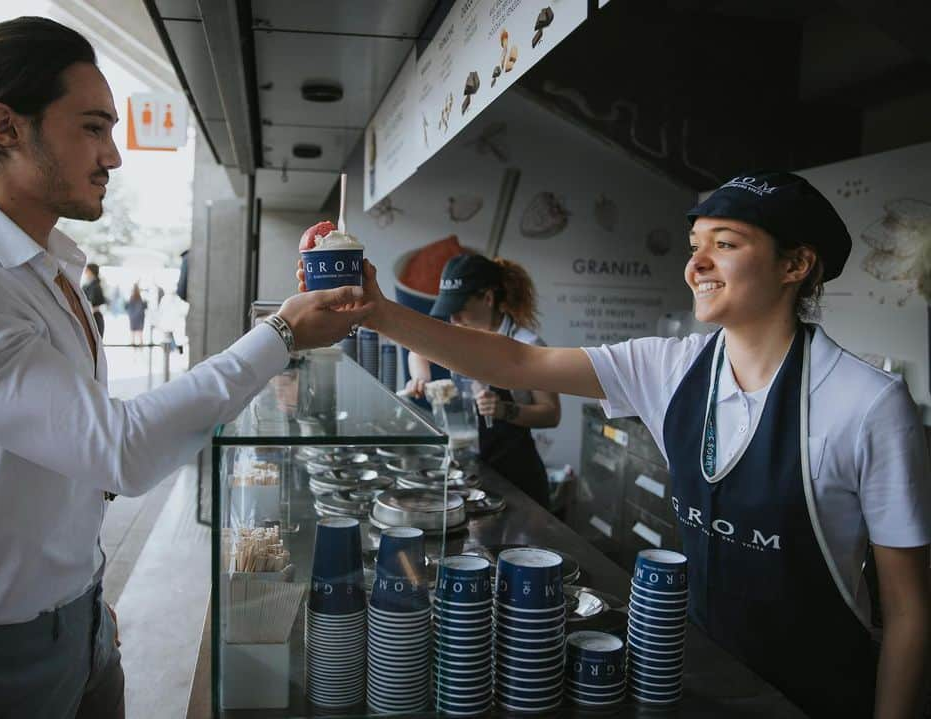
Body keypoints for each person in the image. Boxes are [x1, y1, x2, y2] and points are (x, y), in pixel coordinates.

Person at [0, 17, 369, 719]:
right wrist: (280, 333)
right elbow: (118, 449)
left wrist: (81, 605)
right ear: (7, 126)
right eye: (93, 128)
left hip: (78, 625)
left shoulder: (45, 270)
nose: (114, 155)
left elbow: (62, 465)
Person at [301, 171, 931, 718]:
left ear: (796, 265)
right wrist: (376, 313)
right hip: (697, 670)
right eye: (694, 246)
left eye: (726, 244)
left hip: (818, 695)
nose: (697, 264)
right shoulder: (669, 368)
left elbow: (906, 612)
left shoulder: (867, 404)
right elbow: (520, 361)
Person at [402, 254, 559, 508]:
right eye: (448, 312)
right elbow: (417, 351)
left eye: (459, 309)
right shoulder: (460, 335)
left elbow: (551, 414)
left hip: (517, 478)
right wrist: (420, 378)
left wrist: (504, 409)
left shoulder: (527, 345)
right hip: (471, 470)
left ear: (487, 298)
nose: (453, 320)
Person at [81, 262, 107, 336]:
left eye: (87, 270)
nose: (85, 272)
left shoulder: (96, 286)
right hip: (91, 316)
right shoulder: (88, 285)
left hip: (94, 317)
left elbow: (96, 302)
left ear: (91, 271)